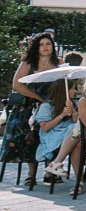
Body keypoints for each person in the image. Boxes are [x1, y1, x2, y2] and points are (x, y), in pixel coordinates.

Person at [5, 32, 59, 189]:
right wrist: (37, 97)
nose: (45, 47)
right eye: (41, 44)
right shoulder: (28, 63)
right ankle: (31, 174)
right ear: (36, 47)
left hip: (52, 106)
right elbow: (16, 84)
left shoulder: (59, 63)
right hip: (29, 106)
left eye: (48, 44)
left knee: (55, 134)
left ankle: (50, 171)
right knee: (30, 136)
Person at [35, 82, 78, 181]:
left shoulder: (72, 103)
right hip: (51, 135)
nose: (75, 91)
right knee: (75, 130)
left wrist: (73, 110)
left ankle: (52, 170)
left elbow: (76, 121)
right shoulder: (47, 106)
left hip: (69, 133)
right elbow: (45, 128)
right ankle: (55, 165)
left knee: (77, 132)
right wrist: (62, 115)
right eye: (72, 88)